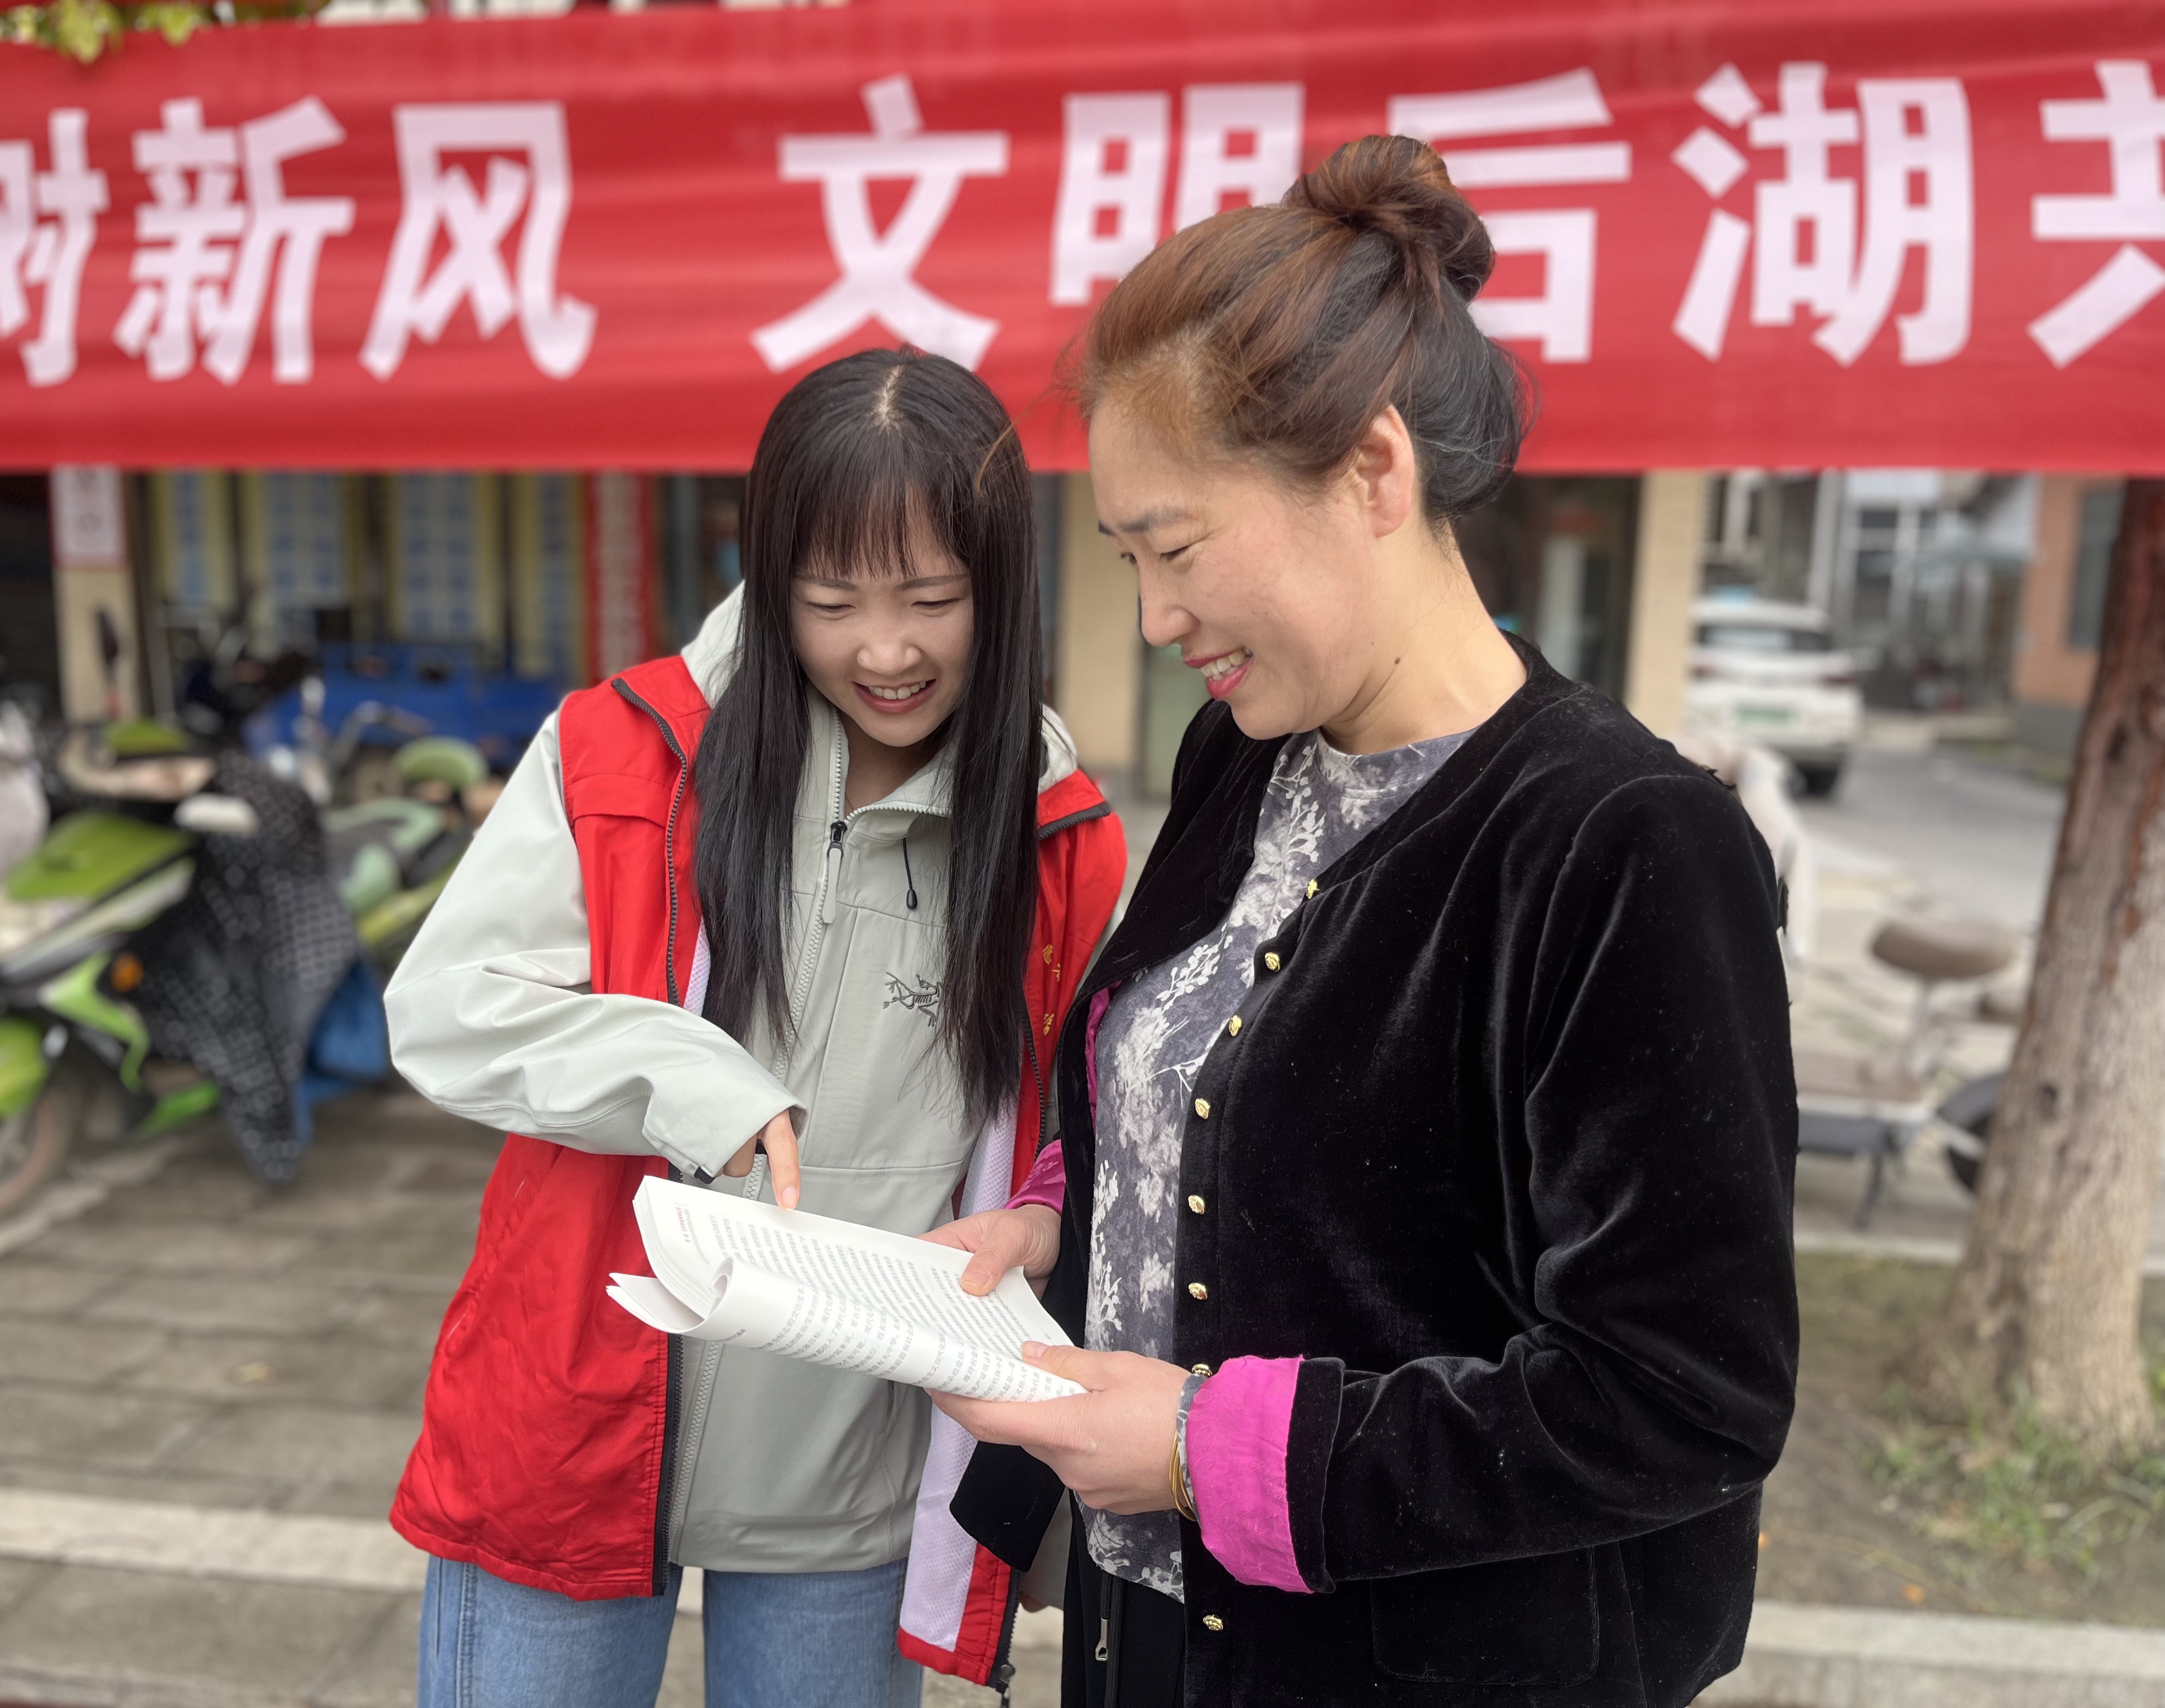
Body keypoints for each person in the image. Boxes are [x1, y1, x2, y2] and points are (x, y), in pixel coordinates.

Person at [926, 135, 1798, 1707]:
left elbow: (1684, 1397)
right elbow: (1197, 1063)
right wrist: (1065, 1209)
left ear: (1375, 473)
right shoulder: (1245, 751)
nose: (1156, 616)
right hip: (1152, 1635)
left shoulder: (1625, 846)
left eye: (1177, 547)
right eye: (1126, 558)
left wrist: (1207, 1448)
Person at [384, 348, 1127, 1708]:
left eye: (935, 600)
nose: (886, 651)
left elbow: (1082, 1128)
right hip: (571, 1428)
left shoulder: (1054, 834)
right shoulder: (622, 753)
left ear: (1004, 583)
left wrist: (1041, 1217)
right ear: (770, 577)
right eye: (832, 602)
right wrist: (686, 1074)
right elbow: (445, 1011)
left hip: (850, 1466)